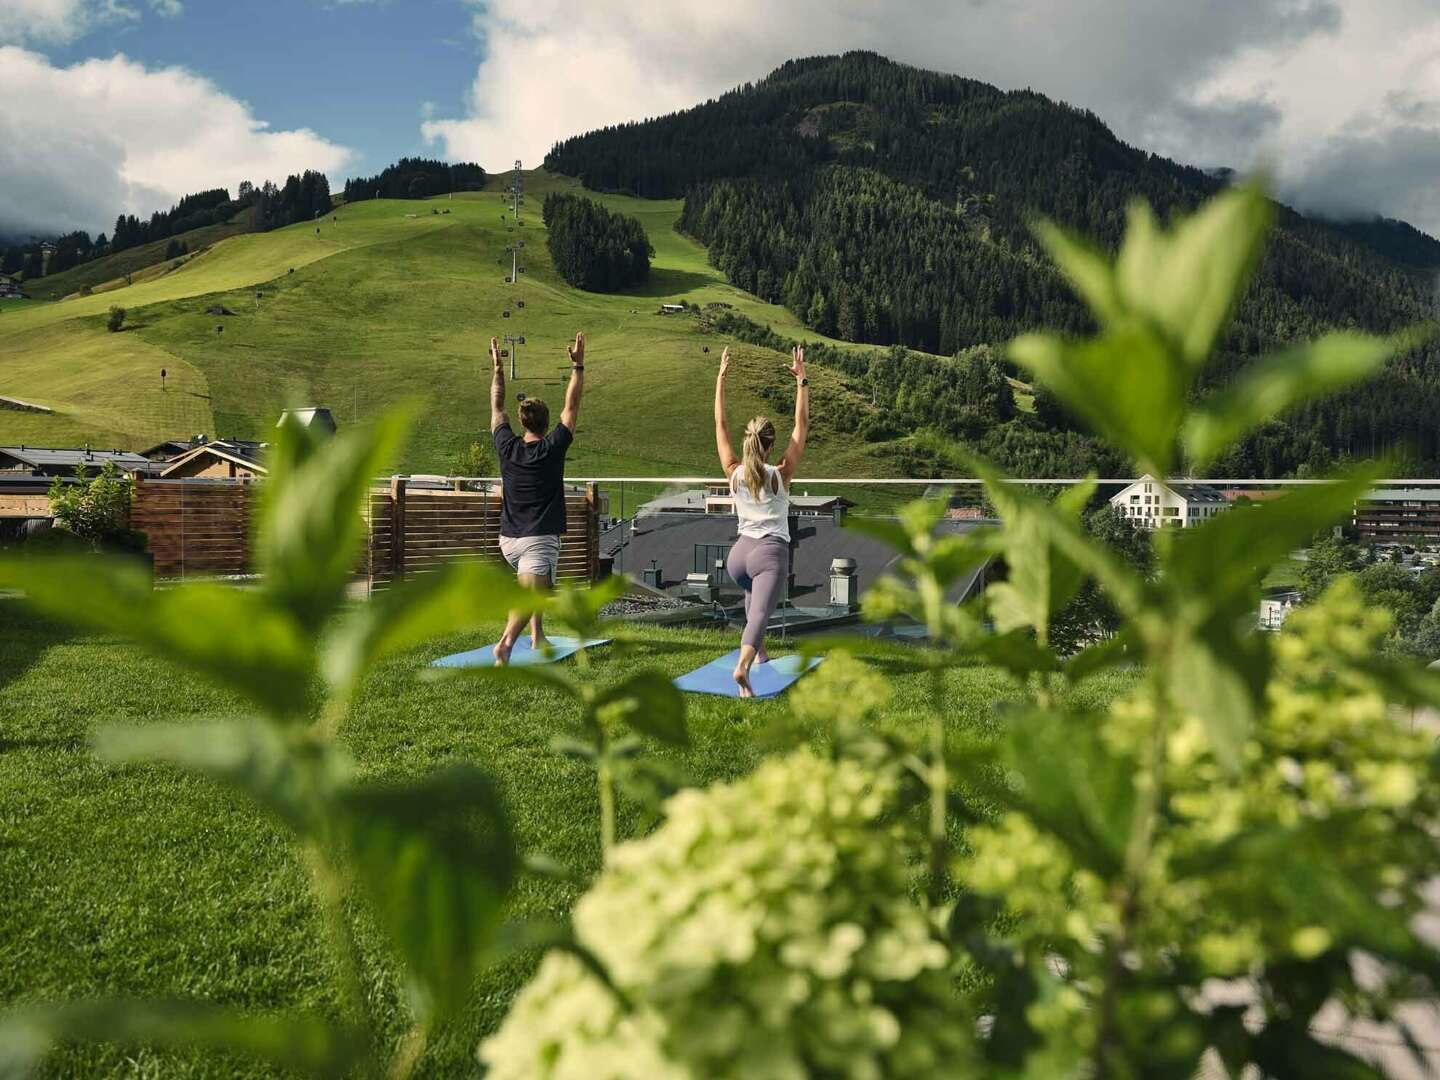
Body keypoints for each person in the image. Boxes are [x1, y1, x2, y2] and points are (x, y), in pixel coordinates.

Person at [713, 343, 810, 696]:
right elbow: (802, 425)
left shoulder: (734, 473)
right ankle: (742, 668)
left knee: (755, 595)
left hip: (738, 557)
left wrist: (721, 379)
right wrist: (802, 381)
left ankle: (761, 655)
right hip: (769, 553)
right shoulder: (780, 474)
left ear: (748, 442)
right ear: (769, 446)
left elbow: (720, 423)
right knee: (759, 616)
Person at [490, 331, 585, 665]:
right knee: (534, 595)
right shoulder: (552, 447)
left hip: (508, 540)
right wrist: (578, 367)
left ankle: (537, 636)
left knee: (536, 588)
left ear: (522, 422)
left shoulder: (507, 446)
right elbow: (571, 407)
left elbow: (497, 406)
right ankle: (504, 644)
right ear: (546, 424)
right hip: (537, 538)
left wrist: (499, 371)